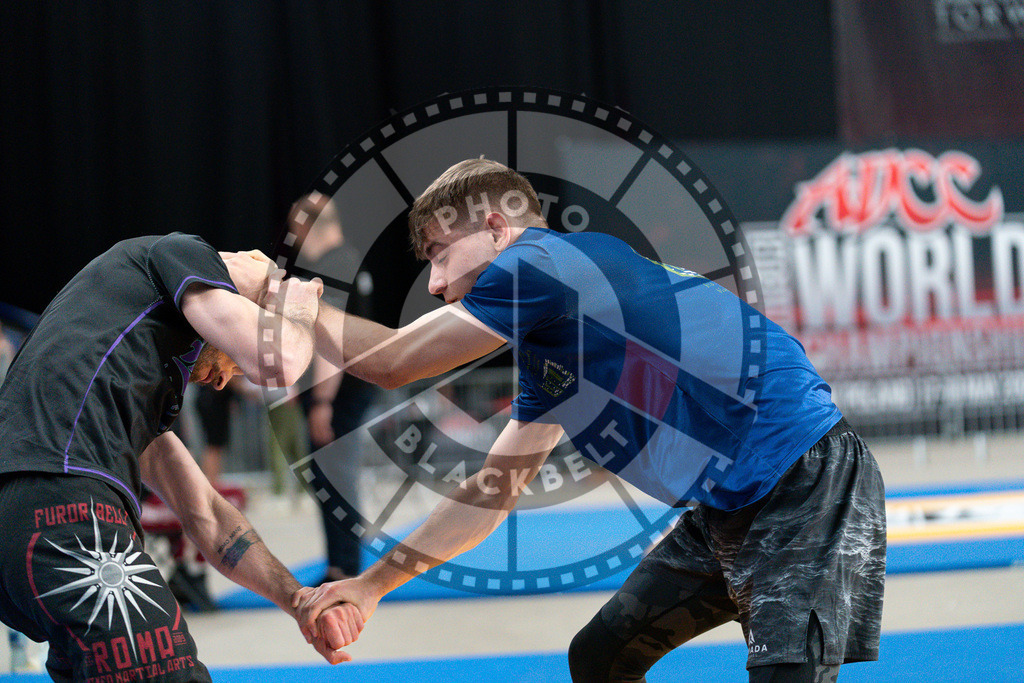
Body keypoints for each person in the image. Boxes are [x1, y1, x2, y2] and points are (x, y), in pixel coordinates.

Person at [294, 159, 887, 681]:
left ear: (498, 229)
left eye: (441, 254)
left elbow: (395, 362)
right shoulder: (555, 336)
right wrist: (371, 587)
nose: (437, 283)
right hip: (730, 505)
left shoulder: (542, 263)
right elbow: (490, 492)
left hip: (801, 480)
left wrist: (285, 300)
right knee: (602, 658)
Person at [0, 233, 358, 680]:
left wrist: (296, 598)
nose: (226, 381)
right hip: (64, 512)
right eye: (236, 364)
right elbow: (280, 362)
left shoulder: (117, 366)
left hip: (25, 531)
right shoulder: (183, 253)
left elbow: (205, 513)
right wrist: (297, 304)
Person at [288, 195, 378, 585]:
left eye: (296, 229)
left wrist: (321, 401)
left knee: (334, 477)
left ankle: (344, 567)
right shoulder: (348, 260)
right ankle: (342, 564)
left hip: (340, 391)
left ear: (310, 227)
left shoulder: (334, 265)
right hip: (347, 387)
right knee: (332, 476)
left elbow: (333, 341)